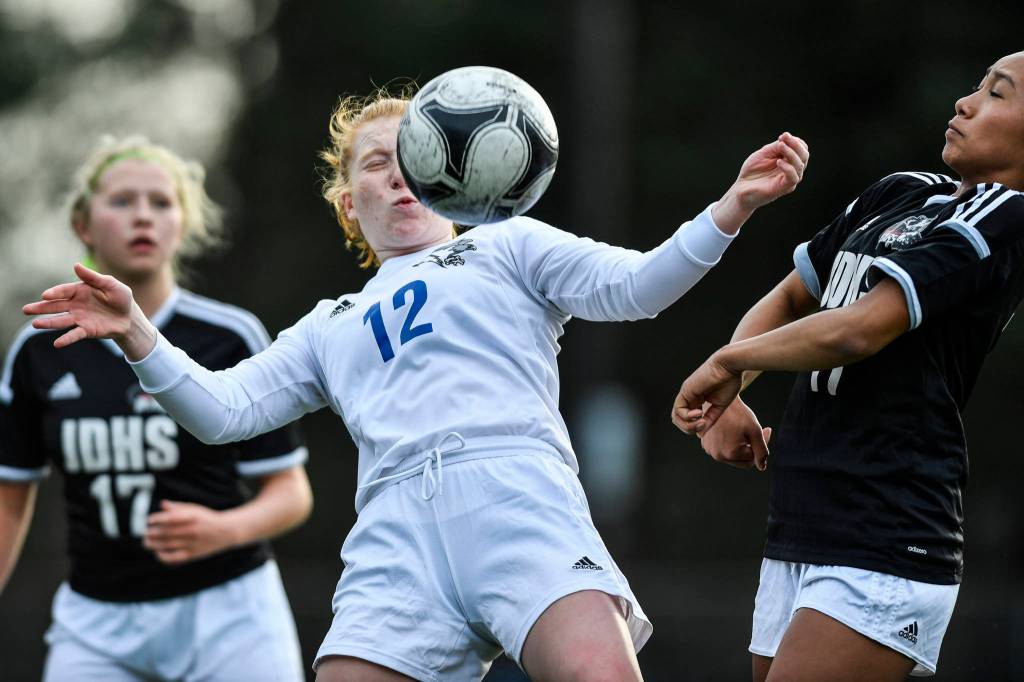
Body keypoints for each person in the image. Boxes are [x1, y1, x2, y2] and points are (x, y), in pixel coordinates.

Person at [24, 91, 808, 681]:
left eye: (417, 156)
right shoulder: (328, 322)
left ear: (453, 172)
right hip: (394, 535)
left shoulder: (507, 245)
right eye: (375, 162)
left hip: (515, 498)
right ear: (346, 201)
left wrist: (729, 208)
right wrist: (137, 334)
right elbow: (222, 412)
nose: (399, 175)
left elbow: (637, 287)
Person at [672, 52, 1024, 681]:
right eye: (975, 88)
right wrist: (733, 393)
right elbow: (790, 297)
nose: (965, 104)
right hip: (803, 521)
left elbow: (859, 331)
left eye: (998, 95)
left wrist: (728, 362)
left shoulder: (1002, 217)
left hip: (886, 533)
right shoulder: (900, 192)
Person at [2, 136, 312, 682]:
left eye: (161, 203)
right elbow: (9, 500)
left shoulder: (228, 335)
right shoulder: (37, 348)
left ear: (182, 224)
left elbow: (291, 493)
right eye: (122, 201)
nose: (142, 215)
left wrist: (226, 529)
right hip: (95, 621)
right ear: (83, 225)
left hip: (229, 614)